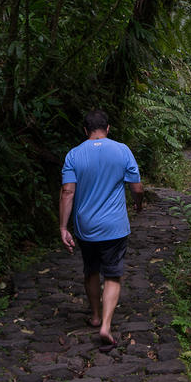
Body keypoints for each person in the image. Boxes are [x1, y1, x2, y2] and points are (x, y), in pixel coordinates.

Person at [59, 109, 143, 349]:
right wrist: (138, 205)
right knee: (113, 274)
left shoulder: (73, 155)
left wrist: (63, 227)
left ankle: (95, 315)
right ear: (108, 129)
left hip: (86, 226)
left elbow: (68, 191)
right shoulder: (122, 150)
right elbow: (136, 188)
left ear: (85, 131)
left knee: (91, 270)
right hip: (115, 226)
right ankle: (106, 324)